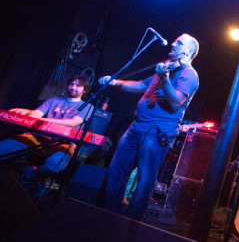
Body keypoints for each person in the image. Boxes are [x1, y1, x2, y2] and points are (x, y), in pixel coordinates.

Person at [100, 34, 199, 221]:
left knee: (145, 180)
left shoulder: (189, 74)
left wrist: (164, 77)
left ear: (189, 51)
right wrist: (113, 82)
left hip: (157, 131)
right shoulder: (166, 68)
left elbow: (176, 101)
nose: (173, 43)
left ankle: (132, 222)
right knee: (116, 171)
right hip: (136, 126)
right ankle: (108, 217)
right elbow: (139, 85)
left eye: (179, 42)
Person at [0, 75, 94, 185]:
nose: (73, 87)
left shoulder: (87, 107)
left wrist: (43, 120)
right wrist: (25, 111)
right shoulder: (54, 100)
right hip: (37, 137)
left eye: (78, 85)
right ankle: (30, 171)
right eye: (71, 84)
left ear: (85, 90)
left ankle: (30, 177)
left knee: (57, 163)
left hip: (62, 143)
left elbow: (72, 123)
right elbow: (36, 114)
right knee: (4, 147)